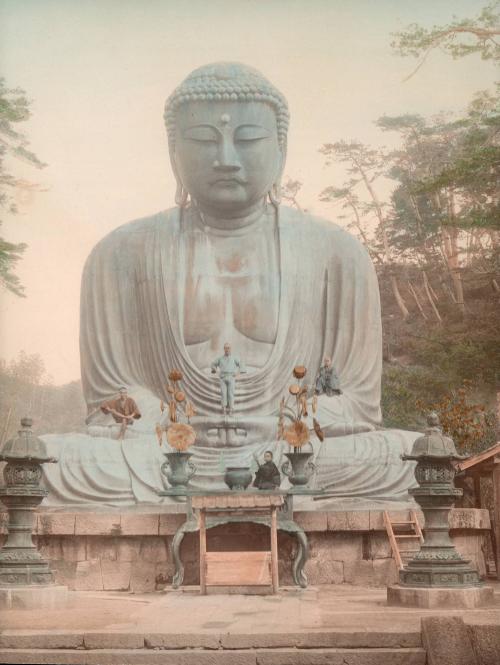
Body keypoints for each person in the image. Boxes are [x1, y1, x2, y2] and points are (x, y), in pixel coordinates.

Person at [40, 62, 420, 507]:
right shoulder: (120, 253)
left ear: (280, 148)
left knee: (409, 458)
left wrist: (278, 425)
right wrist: (171, 424)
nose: (226, 158)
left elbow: (358, 405)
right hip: (163, 453)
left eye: (248, 139)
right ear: (172, 150)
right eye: (203, 139)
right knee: (50, 460)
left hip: (292, 450)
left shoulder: (337, 252)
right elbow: (110, 401)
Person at [211, 343, 245, 414]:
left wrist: (238, 373)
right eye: (226, 348)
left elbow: (241, 364)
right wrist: (217, 371)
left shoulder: (234, 358)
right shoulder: (220, 358)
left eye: (228, 348)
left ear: (230, 349)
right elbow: (213, 364)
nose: (227, 350)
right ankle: (224, 409)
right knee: (223, 393)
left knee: (230, 394)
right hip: (223, 378)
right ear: (224, 349)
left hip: (231, 377)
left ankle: (231, 409)